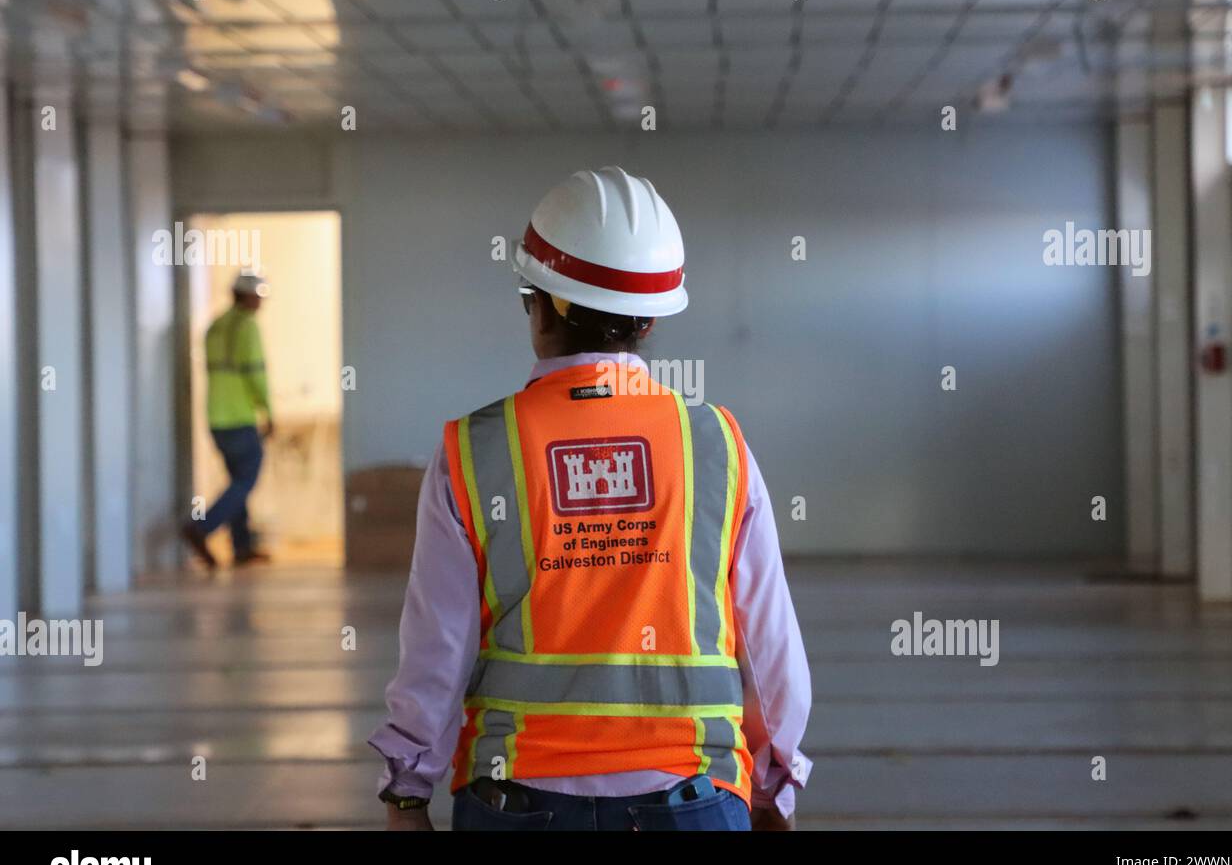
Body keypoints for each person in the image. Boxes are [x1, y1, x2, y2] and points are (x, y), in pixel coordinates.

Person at [370, 166, 811, 831]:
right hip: (692, 796)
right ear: (650, 322)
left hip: (512, 799)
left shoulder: (471, 451)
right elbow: (773, 648)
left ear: (538, 304)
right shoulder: (717, 446)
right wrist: (778, 784)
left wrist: (406, 790)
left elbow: (436, 650)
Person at [182, 269, 274, 569]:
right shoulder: (246, 326)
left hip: (216, 418)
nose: (261, 303)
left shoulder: (215, 326)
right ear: (246, 296)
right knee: (246, 480)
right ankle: (202, 527)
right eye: (258, 296)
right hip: (239, 416)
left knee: (237, 480)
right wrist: (268, 411)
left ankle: (242, 547)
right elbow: (255, 373)